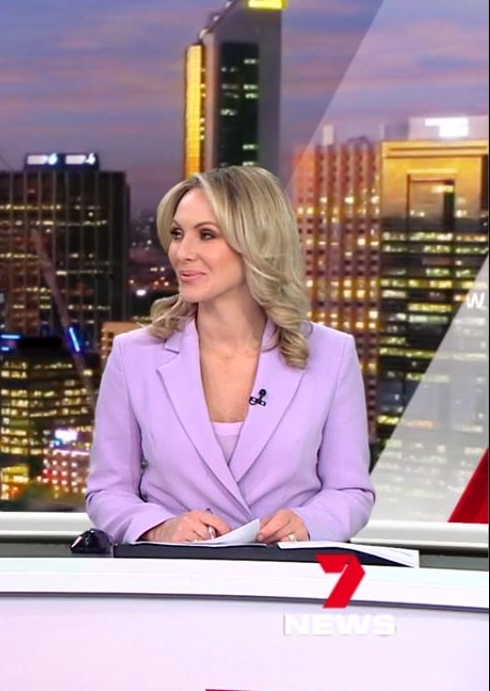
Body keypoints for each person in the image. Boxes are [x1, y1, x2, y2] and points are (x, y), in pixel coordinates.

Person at [86, 166, 374, 544]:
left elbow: (350, 490)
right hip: (175, 572)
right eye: (177, 234)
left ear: (257, 243)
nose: (181, 253)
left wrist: (309, 523)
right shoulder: (134, 356)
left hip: (286, 571)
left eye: (206, 235)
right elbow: (107, 491)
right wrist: (158, 527)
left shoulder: (331, 355)